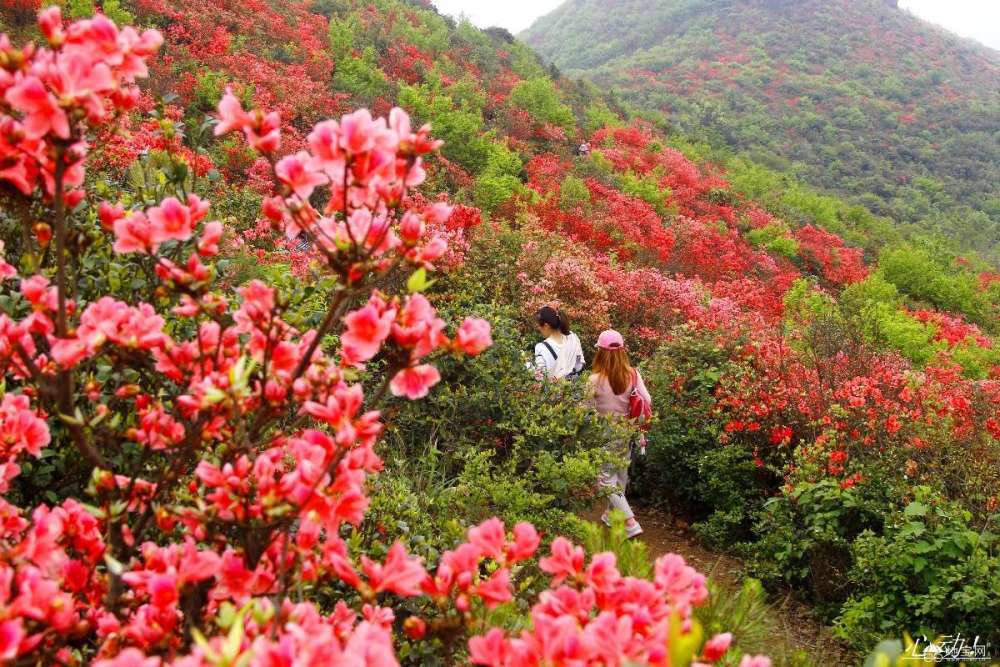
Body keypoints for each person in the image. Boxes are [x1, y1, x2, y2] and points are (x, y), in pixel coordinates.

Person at [586, 329, 651, 538]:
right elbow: (647, 401)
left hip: (604, 434)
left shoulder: (594, 380)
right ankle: (609, 514)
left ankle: (630, 522)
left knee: (605, 479)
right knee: (620, 474)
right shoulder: (633, 374)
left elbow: (584, 411)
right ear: (622, 351)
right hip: (627, 431)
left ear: (600, 352)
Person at [530, 306, 584, 380]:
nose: (538, 328)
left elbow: (540, 378)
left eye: (539, 326)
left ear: (546, 326)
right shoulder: (573, 337)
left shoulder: (541, 347)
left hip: (556, 390)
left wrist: (529, 366)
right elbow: (579, 365)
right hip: (576, 387)